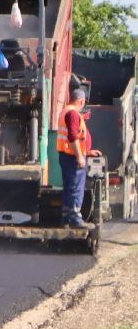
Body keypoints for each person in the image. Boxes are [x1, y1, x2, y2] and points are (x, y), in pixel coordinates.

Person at [59, 82, 92, 229]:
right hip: (72, 157)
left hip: (66, 155)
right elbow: (73, 136)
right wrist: (80, 156)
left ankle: (66, 216)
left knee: (68, 186)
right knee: (75, 187)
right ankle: (75, 218)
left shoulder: (65, 111)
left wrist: (87, 151)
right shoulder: (73, 113)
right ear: (81, 101)